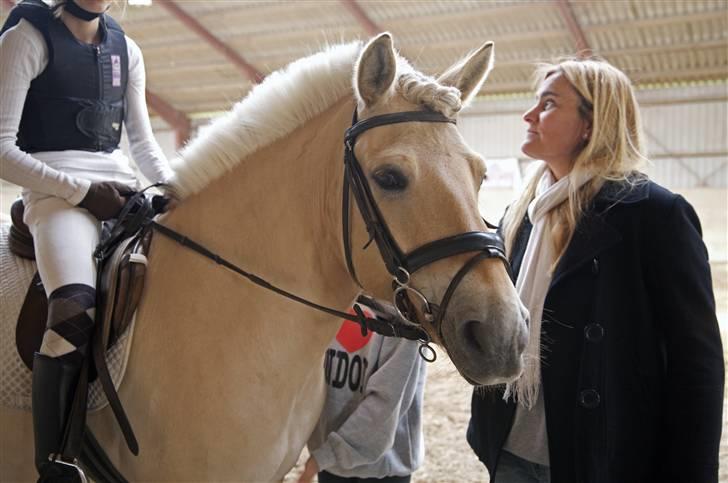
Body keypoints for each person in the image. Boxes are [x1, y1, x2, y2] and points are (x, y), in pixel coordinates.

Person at [466, 57, 724, 483]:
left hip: (598, 457)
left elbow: (696, 362)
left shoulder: (654, 216)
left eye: (548, 105)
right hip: (510, 447)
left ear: (591, 123)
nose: (528, 115)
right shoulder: (523, 215)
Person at [0, 0, 173, 479]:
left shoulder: (128, 49)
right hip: (58, 196)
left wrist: (176, 190)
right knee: (75, 305)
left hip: (120, 190)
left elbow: (141, 142)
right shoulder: (25, 39)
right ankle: (52, 461)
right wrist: (80, 192)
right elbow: (1, 148)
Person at [298, 303, 427, 483]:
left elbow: (384, 405)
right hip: (330, 461)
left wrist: (325, 457)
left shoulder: (405, 314)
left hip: (384, 467)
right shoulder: (331, 295)